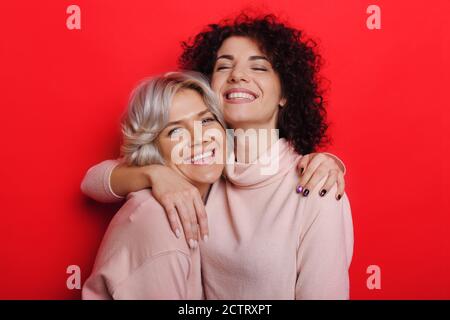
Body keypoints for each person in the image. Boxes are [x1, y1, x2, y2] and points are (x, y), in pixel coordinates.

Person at [82, 14, 354, 299]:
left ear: (285, 93)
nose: (237, 75)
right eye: (224, 66)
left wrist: (333, 162)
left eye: (259, 67)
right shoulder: (208, 167)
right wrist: (155, 174)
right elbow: (91, 182)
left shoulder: (316, 186)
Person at [82, 71, 226, 299]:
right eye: (175, 131)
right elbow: (90, 182)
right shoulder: (159, 220)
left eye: (206, 120)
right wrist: (153, 173)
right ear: (153, 148)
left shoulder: (222, 180)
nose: (199, 137)